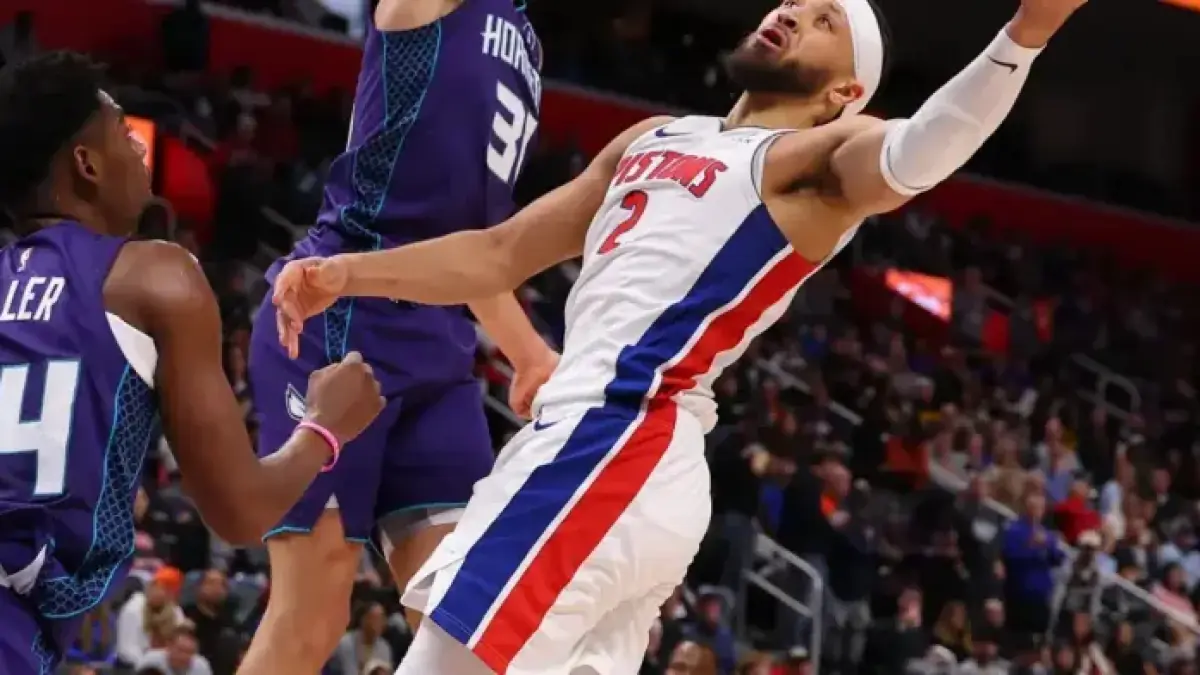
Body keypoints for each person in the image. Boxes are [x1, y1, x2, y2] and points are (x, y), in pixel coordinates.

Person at [272, 0, 1089, 669]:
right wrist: (345, 274)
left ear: (845, 91)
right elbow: (499, 253)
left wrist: (1025, 34)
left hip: (617, 438)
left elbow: (918, 151)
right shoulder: (652, 137)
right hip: (615, 460)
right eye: (793, 2)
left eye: (823, 21)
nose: (791, 14)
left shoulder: (812, 161)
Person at [0, 52, 384, 674]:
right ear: (86, 164)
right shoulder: (154, 275)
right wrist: (324, 428)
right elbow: (240, 510)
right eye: (123, 129)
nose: (141, 146)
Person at [240, 0, 558, 670]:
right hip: (340, 314)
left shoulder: (527, 40)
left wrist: (529, 355)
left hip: (440, 339)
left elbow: (472, 241)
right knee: (314, 609)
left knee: (461, 623)